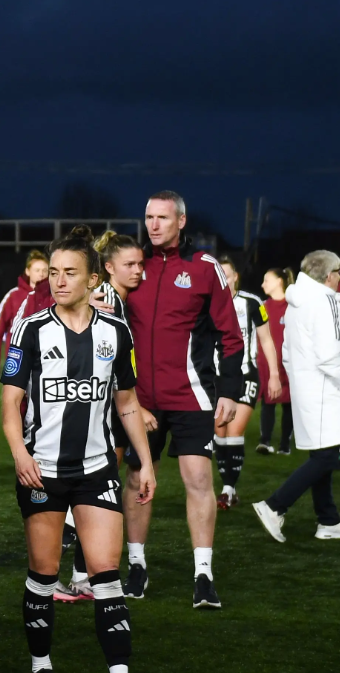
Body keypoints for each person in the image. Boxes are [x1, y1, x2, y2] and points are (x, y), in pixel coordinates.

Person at [0, 225, 156, 673]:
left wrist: (144, 462)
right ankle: (41, 666)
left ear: (94, 280)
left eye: (70, 274)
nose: (59, 282)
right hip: (42, 469)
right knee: (44, 573)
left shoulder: (116, 332)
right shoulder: (30, 329)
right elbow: (10, 405)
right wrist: (20, 455)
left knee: (106, 574)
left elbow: (127, 402)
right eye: (54, 273)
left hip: (96, 470)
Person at [123, 191, 244, 610]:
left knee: (198, 480)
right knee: (139, 481)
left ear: (181, 221)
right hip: (141, 400)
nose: (153, 224)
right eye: (148, 216)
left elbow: (231, 334)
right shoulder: (132, 264)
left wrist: (230, 389)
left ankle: (203, 575)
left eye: (162, 217)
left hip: (192, 395)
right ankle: (136, 567)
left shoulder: (204, 267)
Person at [250, 251, 340, 542]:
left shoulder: (297, 303)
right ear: (329, 275)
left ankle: (329, 520)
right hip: (329, 389)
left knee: (321, 454)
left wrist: (302, 379)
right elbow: (329, 355)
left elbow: (287, 350)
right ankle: (274, 505)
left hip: (310, 388)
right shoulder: (324, 302)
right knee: (327, 457)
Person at [92, 230, 152, 596]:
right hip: (100, 405)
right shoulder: (106, 299)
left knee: (105, 482)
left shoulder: (120, 300)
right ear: (109, 267)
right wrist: (138, 407)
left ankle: (87, 567)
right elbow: (110, 361)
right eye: (129, 265)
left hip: (108, 404)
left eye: (140, 264)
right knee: (99, 484)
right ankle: (84, 566)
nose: (138, 271)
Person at [213, 256, 279, 510]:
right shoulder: (206, 302)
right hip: (216, 377)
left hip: (246, 375)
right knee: (219, 431)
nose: (223, 280)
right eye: (219, 275)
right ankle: (227, 487)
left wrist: (273, 374)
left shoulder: (252, 303)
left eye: (226, 275)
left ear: (235, 276)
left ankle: (228, 489)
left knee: (234, 429)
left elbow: (266, 340)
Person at [0, 250, 49, 381]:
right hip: (18, 362)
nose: (41, 274)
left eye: (45, 270)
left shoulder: (55, 297)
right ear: (27, 271)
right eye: (37, 270)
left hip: (47, 363)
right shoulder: (13, 296)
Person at [257, 268, 295, 455]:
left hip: (290, 365)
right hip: (268, 365)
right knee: (268, 401)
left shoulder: (294, 306)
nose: (263, 284)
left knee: (289, 403)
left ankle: (284, 445)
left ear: (280, 282)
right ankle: (265, 441)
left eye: (266, 280)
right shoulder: (263, 306)